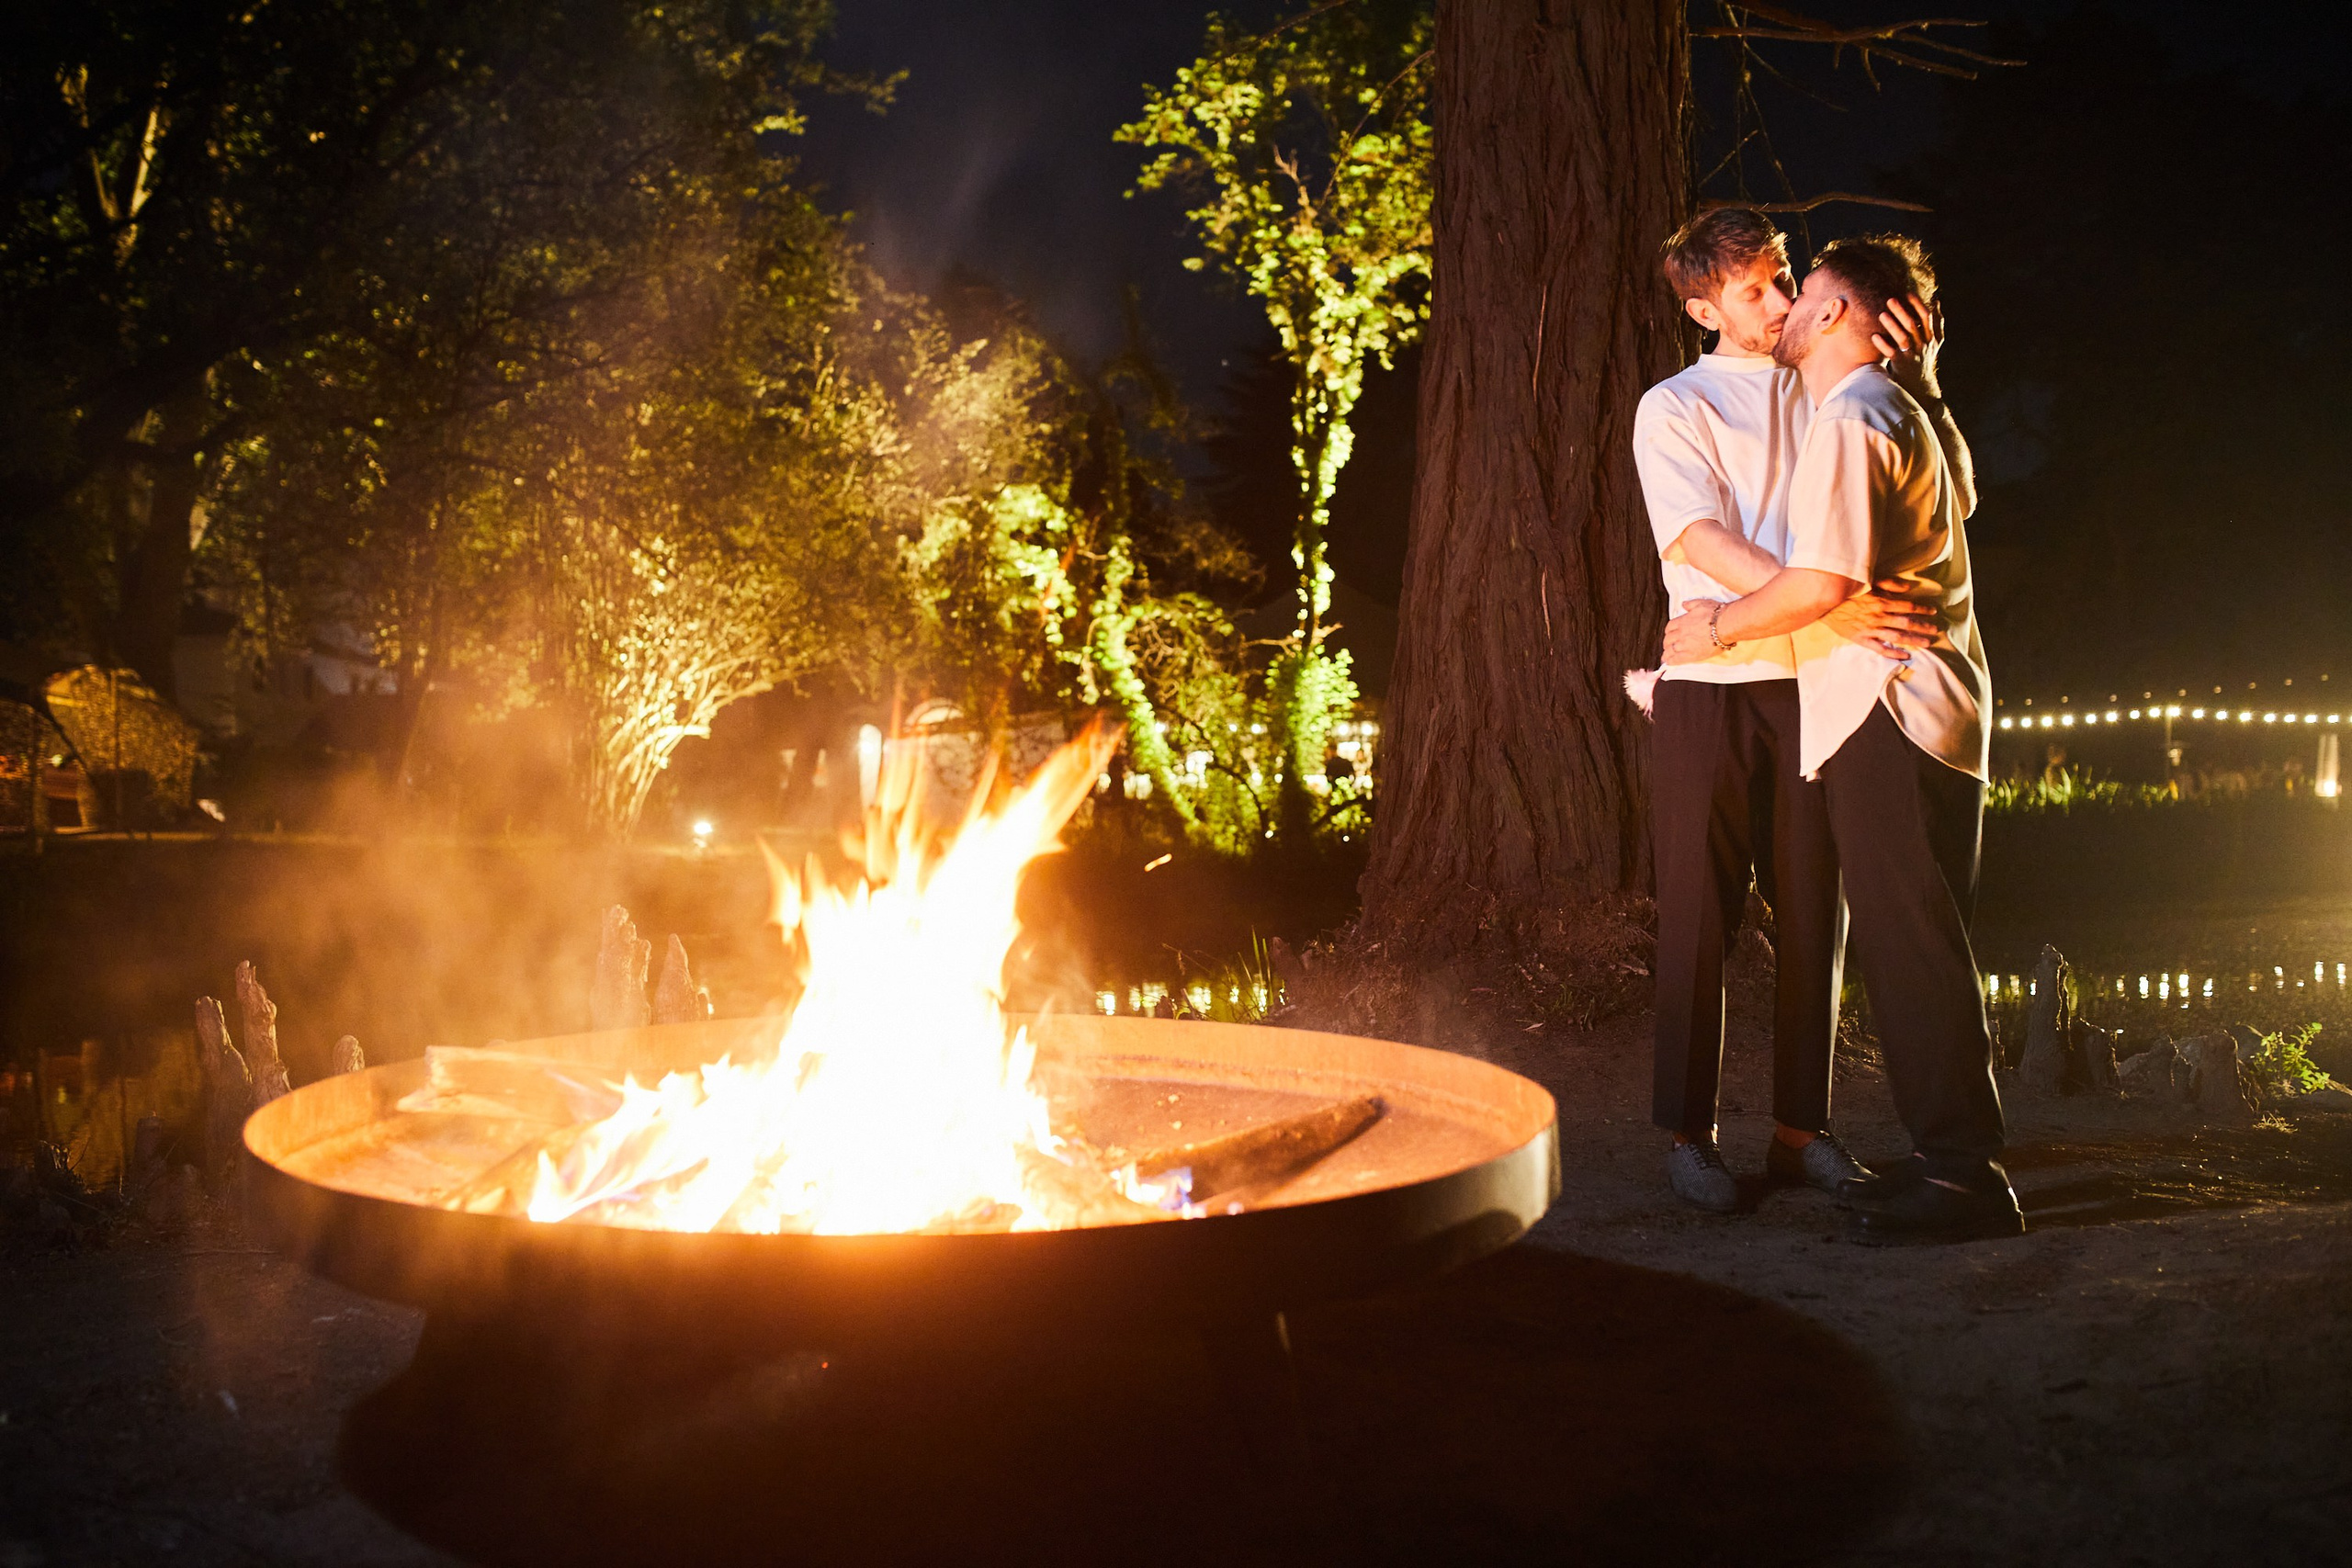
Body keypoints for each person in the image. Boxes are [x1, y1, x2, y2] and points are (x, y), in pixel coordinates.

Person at [1661, 233, 2021, 1245]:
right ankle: (1950, 1159)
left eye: (1800, 287)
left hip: (1888, 707)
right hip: (1930, 710)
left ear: (1831, 315)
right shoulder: (1896, 406)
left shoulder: (1854, 412)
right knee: (1923, 943)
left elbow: (1821, 584)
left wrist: (1716, 625)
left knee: (1910, 948)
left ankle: (1959, 1178)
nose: (1784, 303)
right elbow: (1948, 505)